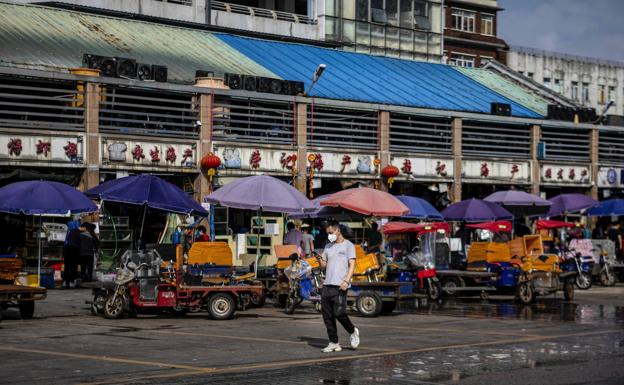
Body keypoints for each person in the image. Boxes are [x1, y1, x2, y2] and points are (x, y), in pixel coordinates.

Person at [316, 220, 359, 353]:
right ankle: (334, 342)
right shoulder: (328, 246)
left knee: (339, 313)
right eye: (327, 233)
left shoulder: (348, 246)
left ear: (337, 230)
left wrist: (346, 281)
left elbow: (352, 265)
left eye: (330, 232)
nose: (329, 235)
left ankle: (352, 331)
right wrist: (319, 259)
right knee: (327, 315)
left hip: (340, 285)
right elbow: (324, 265)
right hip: (327, 284)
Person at [63, 220, 81, 289]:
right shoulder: (77, 232)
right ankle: (71, 281)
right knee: (73, 266)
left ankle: (65, 282)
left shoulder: (68, 231)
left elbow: (65, 241)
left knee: (67, 267)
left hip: (66, 249)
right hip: (74, 250)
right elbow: (79, 243)